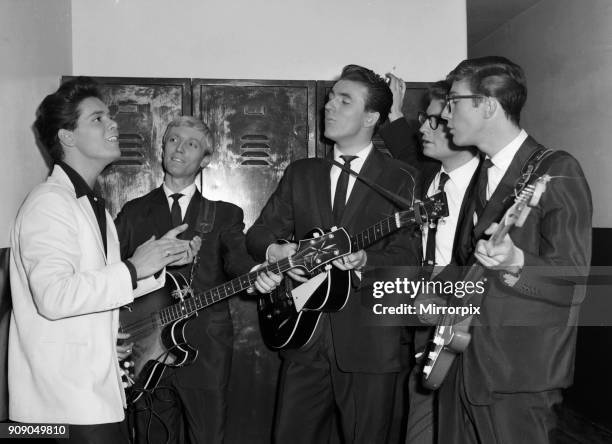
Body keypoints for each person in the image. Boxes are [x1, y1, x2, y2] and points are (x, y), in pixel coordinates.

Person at [8, 77, 195, 444]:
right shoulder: (49, 203)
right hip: (62, 408)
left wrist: (156, 264)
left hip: (91, 397)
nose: (113, 124)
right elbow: (55, 296)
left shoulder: (93, 207)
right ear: (67, 137)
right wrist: (133, 267)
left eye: (109, 116)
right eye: (98, 119)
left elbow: (93, 288)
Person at [246, 64, 422, 444]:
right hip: (303, 336)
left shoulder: (401, 177)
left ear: (372, 117)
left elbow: (408, 256)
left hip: (371, 343)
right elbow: (259, 233)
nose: (330, 106)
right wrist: (275, 248)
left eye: (345, 100)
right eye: (330, 98)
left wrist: (366, 262)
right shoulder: (302, 172)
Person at [438, 56, 592, 443]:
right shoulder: (485, 174)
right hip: (464, 364)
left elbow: (572, 284)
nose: (444, 111)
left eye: (454, 100)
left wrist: (516, 261)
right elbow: (468, 269)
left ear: (487, 105)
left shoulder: (557, 170)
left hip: (518, 378)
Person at [115, 116, 281, 444]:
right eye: (173, 140)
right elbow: (113, 272)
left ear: (204, 159)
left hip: (206, 347)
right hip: (147, 343)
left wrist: (254, 276)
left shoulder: (224, 214)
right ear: (162, 148)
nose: (180, 148)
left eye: (191, 144)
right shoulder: (132, 212)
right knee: (151, 435)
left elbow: (237, 259)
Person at [380, 77, 480, 444]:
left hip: (467, 329)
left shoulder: (488, 186)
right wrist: (394, 111)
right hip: (425, 328)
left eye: (435, 120)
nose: (423, 126)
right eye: (424, 117)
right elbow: (406, 152)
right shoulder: (427, 179)